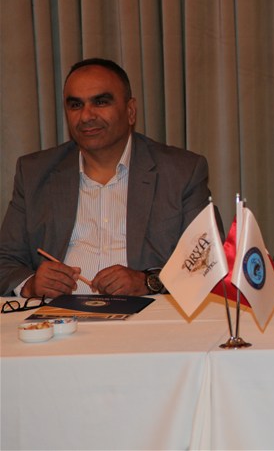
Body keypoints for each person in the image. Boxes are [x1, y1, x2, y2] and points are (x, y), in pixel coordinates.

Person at [0, 58, 212, 297]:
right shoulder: (35, 172)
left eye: (100, 102)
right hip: (58, 314)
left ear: (130, 111)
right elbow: (5, 261)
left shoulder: (181, 172)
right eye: (76, 105)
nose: (86, 116)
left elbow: (207, 264)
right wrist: (30, 284)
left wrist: (148, 281)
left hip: (145, 314)